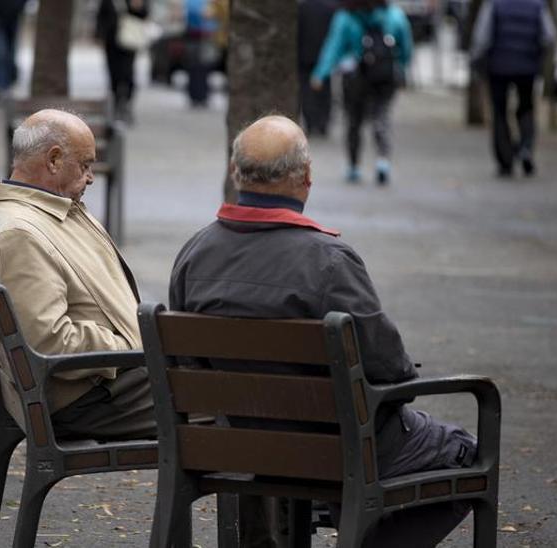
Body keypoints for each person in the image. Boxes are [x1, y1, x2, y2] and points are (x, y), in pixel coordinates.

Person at [170, 115, 477, 548]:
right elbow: (391, 372)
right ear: (306, 178)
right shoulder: (329, 262)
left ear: (236, 173)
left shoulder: (194, 255)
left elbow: (190, 365)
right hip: (338, 449)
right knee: (464, 450)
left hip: (239, 443)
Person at [0, 110, 155, 440]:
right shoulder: (21, 234)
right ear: (53, 160)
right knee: (230, 409)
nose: (92, 177)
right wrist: (134, 344)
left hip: (108, 380)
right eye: (85, 165)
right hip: (93, 395)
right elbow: (49, 341)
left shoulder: (48, 210)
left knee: (223, 389)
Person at [310, 0, 412, 185]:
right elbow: (405, 47)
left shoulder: (346, 16)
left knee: (353, 121)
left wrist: (320, 73)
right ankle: (383, 160)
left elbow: (334, 46)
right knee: (382, 116)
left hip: (355, 78)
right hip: (385, 76)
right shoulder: (394, 15)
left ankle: (354, 165)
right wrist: (403, 70)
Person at [470, 0, 556, 177]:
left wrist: (477, 60)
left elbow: (482, 37)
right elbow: (549, 36)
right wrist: (537, 55)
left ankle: (505, 160)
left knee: (500, 112)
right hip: (528, 67)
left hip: (498, 67)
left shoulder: (495, 4)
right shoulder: (537, 5)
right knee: (526, 108)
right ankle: (526, 148)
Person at [96, 0, 150, 124]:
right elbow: (101, 16)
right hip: (111, 42)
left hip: (128, 42)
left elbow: (144, 14)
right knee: (114, 74)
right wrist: (100, 36)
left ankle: (126, 104)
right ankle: (116, 104)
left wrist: (137, 6)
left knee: (128, 74)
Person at [299, 0, 340, 137]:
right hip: (324, 56)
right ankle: (322, 122)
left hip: (304, 56)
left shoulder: (302, 8)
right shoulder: (331, 8)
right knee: (325, 91)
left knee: (306, 92)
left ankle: (311, 122)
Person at [184, 0, 220, 108]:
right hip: (194, 35)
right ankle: (195, 95)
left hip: (206, 36)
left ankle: (202, 95)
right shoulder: (192, 3)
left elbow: (213, 15)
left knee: (203, 67)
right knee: (194, 67)